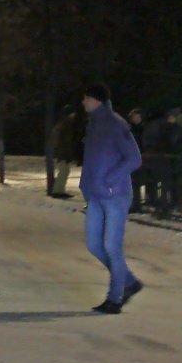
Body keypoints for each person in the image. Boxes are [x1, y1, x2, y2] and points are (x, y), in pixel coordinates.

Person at [79, 83, 143, 314]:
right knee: (94, 244)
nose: (83, 102)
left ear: (96, 100)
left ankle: (115, 299)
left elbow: (134, 158)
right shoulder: (93, 124)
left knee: (111, 246)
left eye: (85, 98)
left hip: (116, 196)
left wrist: (110, 179)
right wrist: (86, 185)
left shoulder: (116, 124)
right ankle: (129, 281)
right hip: (96, 195)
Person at [49, 104, 80, 198]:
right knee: (64, 171)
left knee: (64, 171)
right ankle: (58, 191)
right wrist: (66, 154)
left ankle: (59, 190)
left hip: (61, 152)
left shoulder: (61, 123)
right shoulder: (66, 124)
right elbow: (65, 141)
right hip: (62, 152)